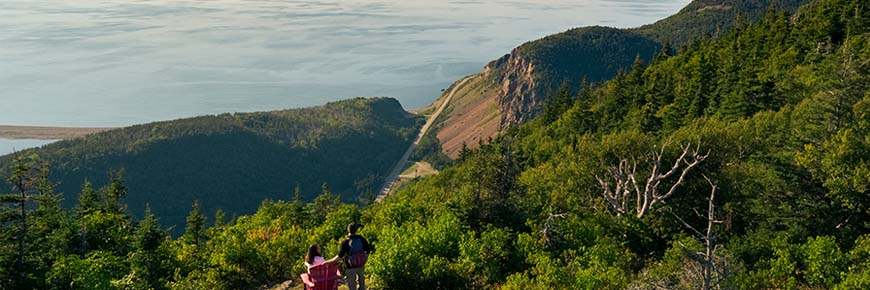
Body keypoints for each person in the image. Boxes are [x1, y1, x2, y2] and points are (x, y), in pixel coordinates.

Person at [339, 223, 374, 290]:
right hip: (361, 264)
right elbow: (368, 250)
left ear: (348, 230)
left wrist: (328, 262)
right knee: (361, 283)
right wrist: (364, 260)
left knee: (352, 284)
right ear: (356, 230)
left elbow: (340, 255)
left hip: (350, 266)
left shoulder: (346, 241)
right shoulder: (361, 238)